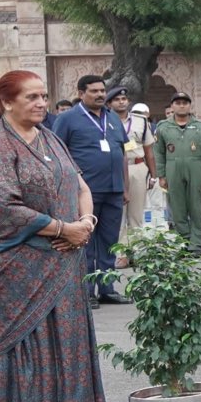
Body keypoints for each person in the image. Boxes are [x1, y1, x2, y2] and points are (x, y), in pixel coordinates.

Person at [0, 70, 108, 402]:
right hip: (14, 258)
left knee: (66, 333)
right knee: (25, 339)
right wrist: (63, 229)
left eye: (43, 96)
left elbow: (80, 184)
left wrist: (85, 221)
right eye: (31, 97)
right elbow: (3, 207)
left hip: (65, 253)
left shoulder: (49, 136)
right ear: (6, 103)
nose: (41, 104)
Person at [49, 74, 129, 306]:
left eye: (102, 91)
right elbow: (57, 154)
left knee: (109, 241)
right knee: (85, 240)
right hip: (84, 192)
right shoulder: (68, 119)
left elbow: (121, 153)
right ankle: (86, 291)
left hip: (114, 190)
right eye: (94, 91)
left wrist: (125, 186)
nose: (100, 95)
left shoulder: (112, 118)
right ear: (81, 93)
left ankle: (107, 288)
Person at [152, 92, 201, 251]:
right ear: (172, 106)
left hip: (197, 167)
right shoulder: (163, 127)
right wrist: (161, 175)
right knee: (177, 208)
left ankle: (196, 243)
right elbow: (158, 152)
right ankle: (185, 241)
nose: (181, 105)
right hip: (173, 168)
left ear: (190, 105)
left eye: (185, 102)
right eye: (177, 102)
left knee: (196, 208)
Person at [120, 95, 153, 238]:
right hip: (115, 169)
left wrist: (153, 175)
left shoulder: (141, 121)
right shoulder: (105, 120)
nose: (121, 102)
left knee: (136, 215)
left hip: (137, 166)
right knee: (118, 217)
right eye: (116, 99)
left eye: (124, 98)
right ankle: (120, 255)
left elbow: (149, 151)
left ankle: (137, 253)